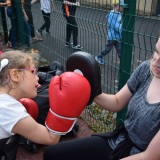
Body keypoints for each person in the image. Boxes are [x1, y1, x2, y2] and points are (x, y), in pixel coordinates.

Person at [43, 35, 160, 159]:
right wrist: (88, 89)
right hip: (119, 142)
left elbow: (150, 156)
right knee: (52, 154)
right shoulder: (147, 69)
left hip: (140, 155)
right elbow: (117, 102)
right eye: (157, 51)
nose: (156, 61)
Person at [0, 50, 91, 159]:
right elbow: (50, 138)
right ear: (15, 75)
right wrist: (61, 112)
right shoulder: (9, 109)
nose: (37, 77)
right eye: (33, 72)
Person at [95, 0, 124, 64]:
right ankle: (98, 57)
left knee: (120, 50)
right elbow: (114, 25)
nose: (121, 7)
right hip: (112, 37)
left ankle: (123, 64)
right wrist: (122, 30)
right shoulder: (112, 14)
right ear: (116, 6)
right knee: (107, 49)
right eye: (120, 6)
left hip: (118, 37)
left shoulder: (119, 14)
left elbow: (119, 23)